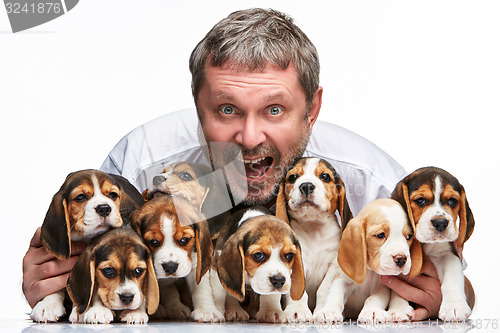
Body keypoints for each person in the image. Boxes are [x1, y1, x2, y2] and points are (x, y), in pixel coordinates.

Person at [23, 8, 462, 321]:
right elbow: (93, 271)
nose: (249, 138)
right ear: (198, 108)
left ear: (312, 109)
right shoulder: (139, 168)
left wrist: (444, 297)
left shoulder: (371, 180)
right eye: (227, 110)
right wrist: (55, 279)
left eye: (274, 110)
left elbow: (453, 271)